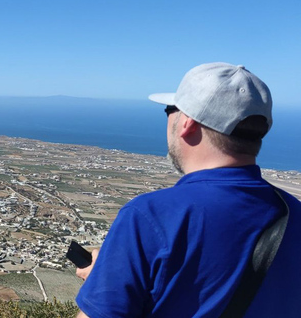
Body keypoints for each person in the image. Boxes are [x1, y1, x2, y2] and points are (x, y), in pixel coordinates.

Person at [74, 62, 301, 318]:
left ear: (187, 124)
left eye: (170, 109)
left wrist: (103, 287)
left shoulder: (150, 216)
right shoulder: (294, 213)